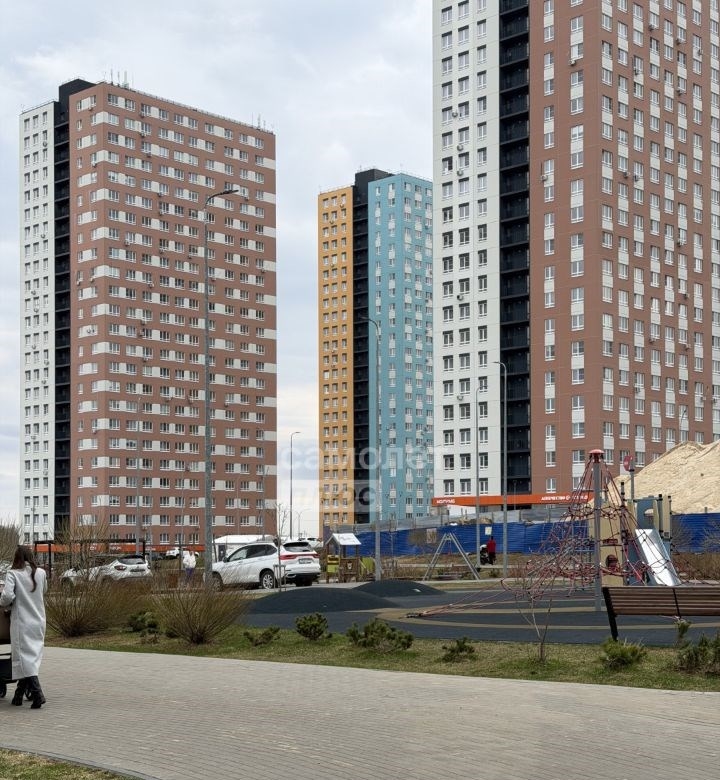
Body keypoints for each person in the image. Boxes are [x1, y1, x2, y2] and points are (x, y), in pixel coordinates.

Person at [0, 545, 47, 709]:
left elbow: (7, 596)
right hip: (39, 620)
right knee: (31, 657)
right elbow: (43, 591)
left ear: (17, 558)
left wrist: (3, 603)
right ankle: (18, 695)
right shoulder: (41, 573)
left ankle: (38, 694)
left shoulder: (13, 574)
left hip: (22, 622)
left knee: (24, 658)